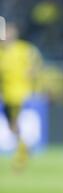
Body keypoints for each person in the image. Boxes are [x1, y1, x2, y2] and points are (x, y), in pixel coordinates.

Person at [0, 22, 43, 169]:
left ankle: (21, 154)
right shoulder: (1, 52)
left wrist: (32, 73)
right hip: (7, 95)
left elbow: (36, 63)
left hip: (20, 94)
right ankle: (24, 148)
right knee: (13, 125)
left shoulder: (24, 49)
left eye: (9, 33)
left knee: (14, 123)